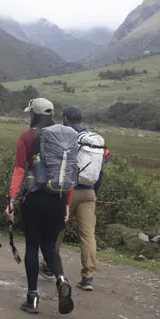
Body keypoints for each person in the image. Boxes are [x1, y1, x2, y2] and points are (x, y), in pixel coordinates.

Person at [6, 98, 75, 315]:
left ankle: (32, 298)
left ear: (33, 115)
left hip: (34, 198)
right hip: (58, 197)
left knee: (33, 246)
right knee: (50, 246)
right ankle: (62, 279)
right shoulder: (65, 139)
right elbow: (69, 173)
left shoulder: (26, 138)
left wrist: (11, 199)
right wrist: (66, 205)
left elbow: (19, 170)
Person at [41, 105, 110, 291]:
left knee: (57, 229)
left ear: (65, 118)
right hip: (89, 193)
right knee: (88, 235)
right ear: (80, 119)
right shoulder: (94, 140)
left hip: (68, 191)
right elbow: (101, 169)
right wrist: (94, 192)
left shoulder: (65, 136)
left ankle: (48, 267)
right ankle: (88, 277)